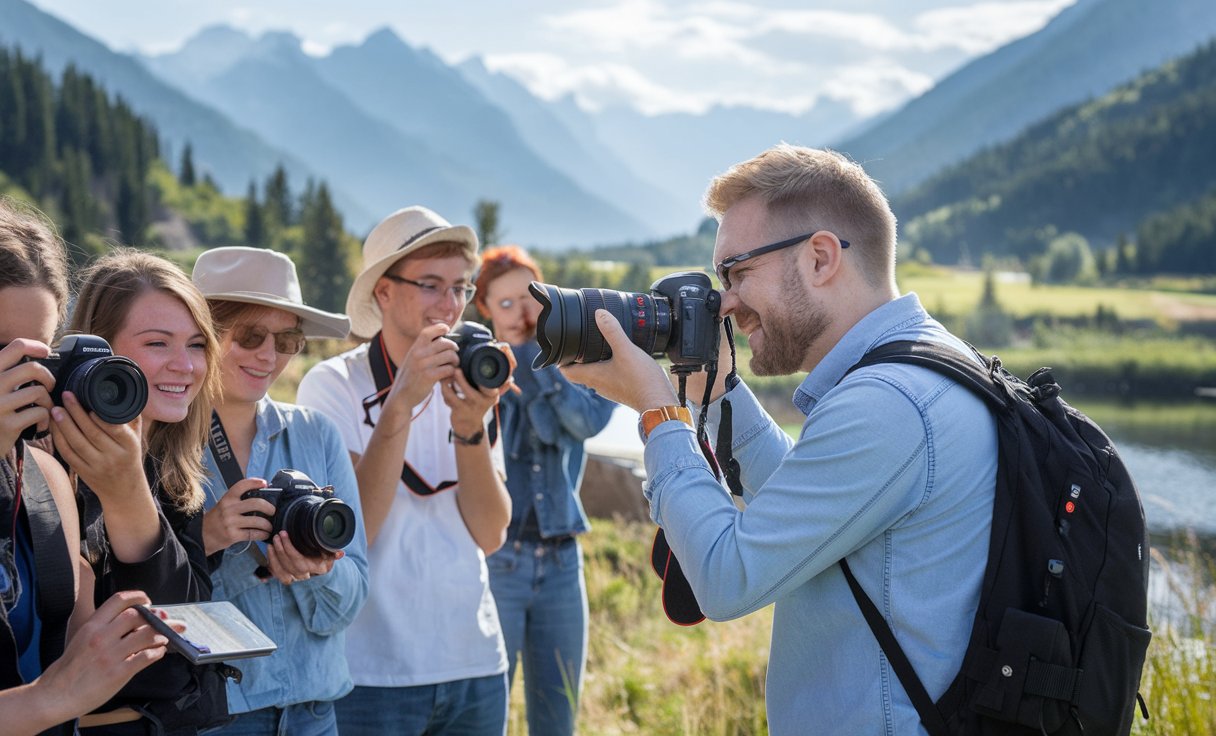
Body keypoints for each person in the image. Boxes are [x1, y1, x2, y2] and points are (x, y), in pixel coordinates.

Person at [567, 144, 999, 735]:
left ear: (821, 258)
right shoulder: (925, 365)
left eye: (738, 272)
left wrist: (658, 413)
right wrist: (718, 390)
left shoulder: (887, 405)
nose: (726, 302)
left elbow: (727, 577)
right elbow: (808, 503)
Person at [297, 206, 513, 735]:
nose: (451, 305)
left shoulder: (472, 378)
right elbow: (354, 533)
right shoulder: (331, 387)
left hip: (475, 660)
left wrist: (469, 425)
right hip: (369, 670)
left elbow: (490, 533)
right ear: (384, 292)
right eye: (431, 285)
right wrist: (401, 402)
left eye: (461, 287)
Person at [0, 199, 181, 736]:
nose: (19, 375)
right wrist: (45, 701)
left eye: (35, 354)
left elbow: (110, 659)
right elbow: (58, 692)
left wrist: (127, 492)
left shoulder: (45, 480)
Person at [192, 246, 369, 735]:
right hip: (217, 719)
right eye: (250, 336)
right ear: (204, 331)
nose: (269, 356)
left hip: (315, 713)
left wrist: (317, 570)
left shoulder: (317, 433)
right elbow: (148, 601)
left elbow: (352, 599)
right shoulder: (160, 440)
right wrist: (207, 539)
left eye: (288, 340)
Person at [64, 250, 231, 735]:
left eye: (198, 345)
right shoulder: (46, 463)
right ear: (100, 348)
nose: (185, 366)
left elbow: (186, 621)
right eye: (158, 343)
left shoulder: (173, 467)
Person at [473, 246, 614, 735]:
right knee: (487, 712)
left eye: (531, 297)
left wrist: (544, 360)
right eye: (505, 303)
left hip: (561, 561)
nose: (523, 312)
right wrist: (515, 364)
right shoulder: (478, 370)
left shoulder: (580, 357)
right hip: (498, 560)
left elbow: (584, 422)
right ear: (485, 309)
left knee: (558, 716)